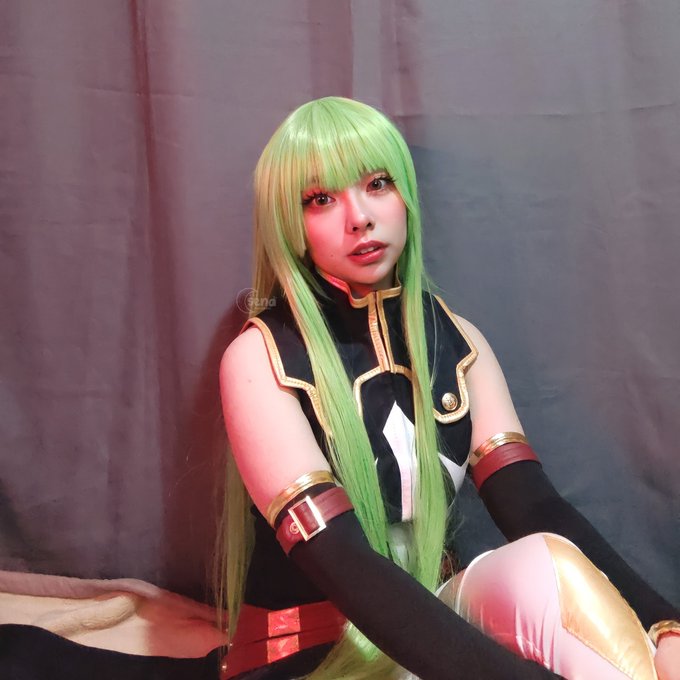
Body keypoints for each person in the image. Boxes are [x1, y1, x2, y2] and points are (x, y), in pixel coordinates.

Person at [218, 96, 679, 679]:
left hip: (437, 633)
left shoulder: (459, 343)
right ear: (289, 222)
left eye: (377, 184)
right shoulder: (260, 359)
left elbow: (533, 506)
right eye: (321, 199)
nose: (359, 217)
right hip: (309, 658)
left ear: (405, 196)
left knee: (547, 563)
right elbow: (341, 562)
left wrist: (664, 626)